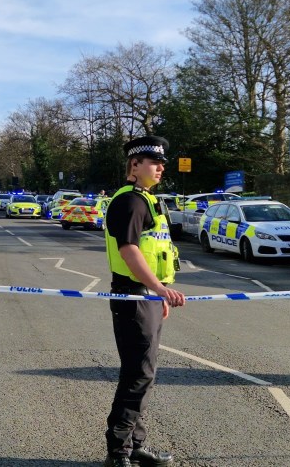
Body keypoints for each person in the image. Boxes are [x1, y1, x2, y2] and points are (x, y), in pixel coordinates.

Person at [103, 136, 186, 467]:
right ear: (134, 166)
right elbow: (129, 250)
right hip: (133, 295)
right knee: (137, 374)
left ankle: (135, 445)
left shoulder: (147, 201)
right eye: (154, 162)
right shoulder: (131, 201)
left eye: (161, 162)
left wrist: (158, 291)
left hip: (145, 297)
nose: (161, 167)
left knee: (144, 373)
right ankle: (118, 452)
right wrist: (159, 289)